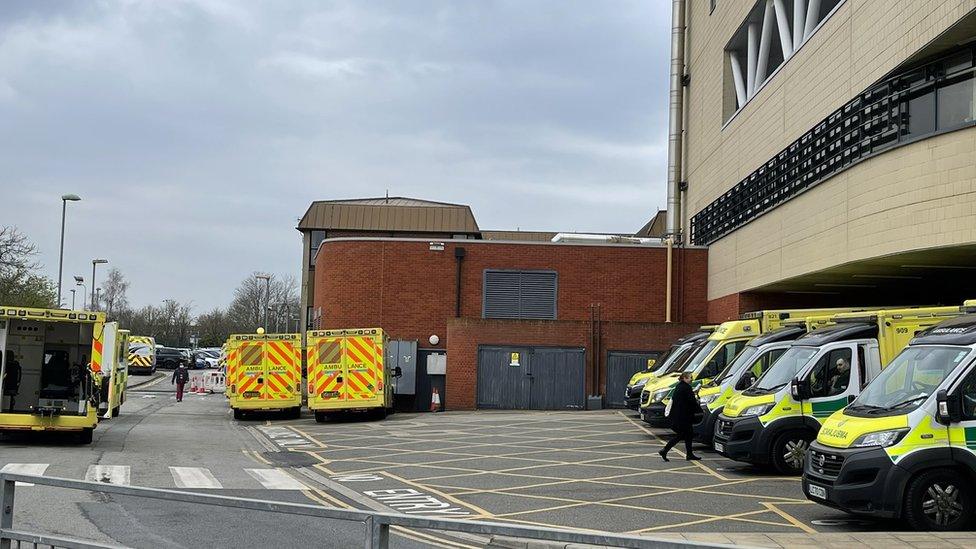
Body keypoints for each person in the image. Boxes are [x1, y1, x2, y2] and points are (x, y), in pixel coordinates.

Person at [658, 372, 702, 461]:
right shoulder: (686, 388)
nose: (692, 379)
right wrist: (700, 410)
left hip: (679, 416)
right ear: (684, 378)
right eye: (690, 378)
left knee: (688, 435)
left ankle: (689, 454)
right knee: (682, 435)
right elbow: (692, 402)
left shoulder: (679, 386)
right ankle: (665, 450)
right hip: (684, 417)